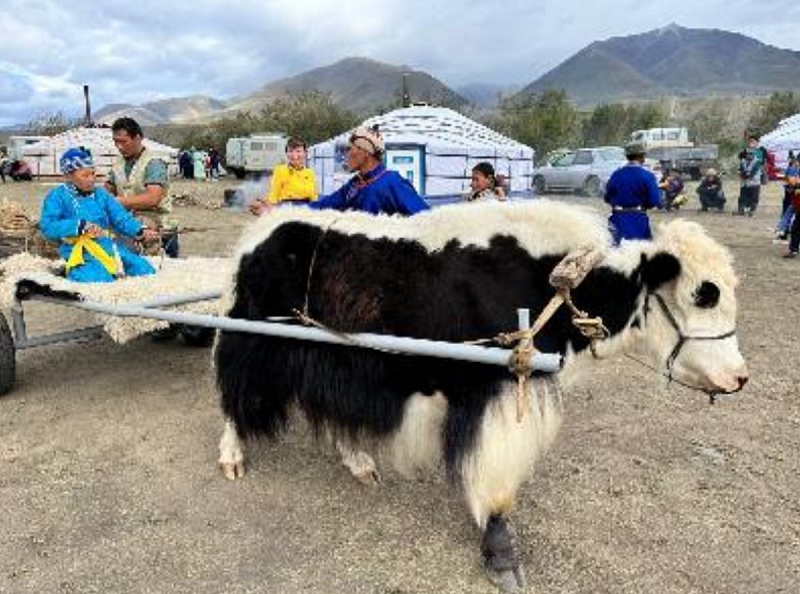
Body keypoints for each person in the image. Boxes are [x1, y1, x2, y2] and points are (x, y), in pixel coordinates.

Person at [39, 148, 159, 283]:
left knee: (144, 269)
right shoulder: (57, 196)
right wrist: (79, 226)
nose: (91, 179)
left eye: (93, 174)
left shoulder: (101, 195)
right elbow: (47, 226)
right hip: (78, 250)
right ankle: (72, 270)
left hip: (105, 245)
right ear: (68, 176)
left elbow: (120, 218)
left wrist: (140, 230)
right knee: (98, 278)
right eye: (85, 175)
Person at [308, 126, 429, 216]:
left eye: (350, 149)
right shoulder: (354, 185)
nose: (347, 154)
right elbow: (324, 205)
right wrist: (291, 209)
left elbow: (424, 218)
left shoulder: (392, 182)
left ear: (365, 152)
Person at [104, 117, 178, 257]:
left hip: (154, 220)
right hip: (126, 218)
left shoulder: (153, 162)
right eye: (116, 142)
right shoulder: (118, 163)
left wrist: (118, 202)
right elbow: (108, 189)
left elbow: (153, 198)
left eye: (123, 141)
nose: (119, 147)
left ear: (138, 138)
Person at [604, 142, 663, 244]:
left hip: (617, 219)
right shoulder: (647, 176)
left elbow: (607, 197)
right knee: (639, 253)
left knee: (615, 252)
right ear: (642, 157)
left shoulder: (616, 174)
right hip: (638, 220)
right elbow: (654, 200)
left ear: (627, 157)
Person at [250, 136, 318, 215]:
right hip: (287, 211)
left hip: (306, 211)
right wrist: (270, 211)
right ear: (286, 153)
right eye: (290, 151)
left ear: (305, 153)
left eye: (298, 151)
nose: (294, 155)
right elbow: (274, 194)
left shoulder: (310, 173)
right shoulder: (280, 170)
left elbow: (314, 196)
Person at [734, 136, 765, 216]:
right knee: (742, 197)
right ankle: (741, 210)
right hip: (744, 183)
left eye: (751, 154)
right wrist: (742, 174)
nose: (749, 155)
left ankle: (752, 211)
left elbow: (753, 172)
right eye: (748, 154)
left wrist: (746, 175)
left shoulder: (757, 162)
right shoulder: (743, 161)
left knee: (754, 198)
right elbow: (740, 169)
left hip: (754, 183)